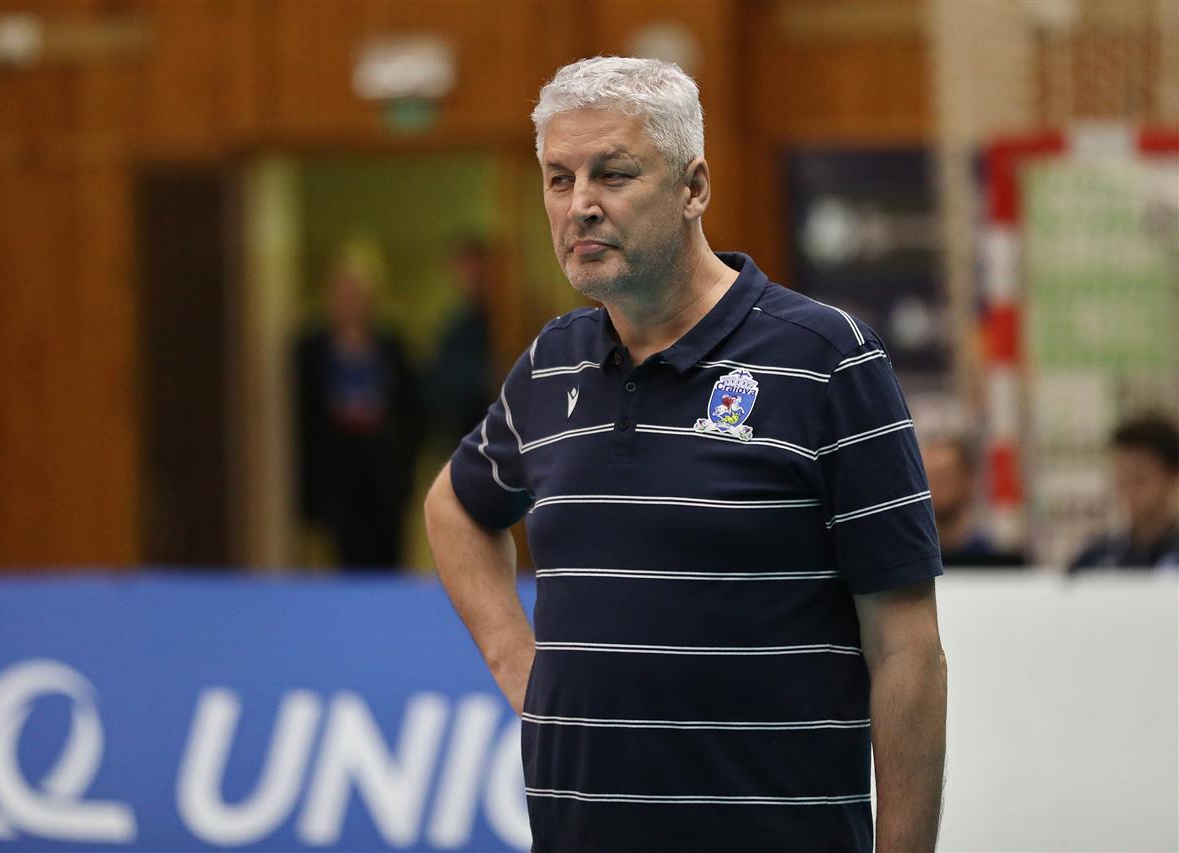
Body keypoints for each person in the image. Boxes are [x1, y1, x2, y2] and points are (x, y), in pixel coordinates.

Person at [424, 57, 947, 852]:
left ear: (693, 187)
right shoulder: (551, 363)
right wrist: (520, 665)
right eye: (559, 179)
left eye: (613, 173)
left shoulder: (827, 359)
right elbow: (457, 507)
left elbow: (907, 651)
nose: (580, 204)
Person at [295, 263, 418, 569]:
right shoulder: (312, 349)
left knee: (387, 557)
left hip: (383, 471)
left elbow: (412, 410)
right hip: (336, 472)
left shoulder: (392, 346)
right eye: (343, 295)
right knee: (344, 555)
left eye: (358, 295)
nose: (351, 303)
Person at [1071, 414, 1179, 572]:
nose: (1128, 490)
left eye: (1138, 479)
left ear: (1172, 478)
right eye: (1122, 477)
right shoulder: (1096, 558)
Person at [423, 237, 495, 445]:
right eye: (467, 273)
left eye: (479, 273)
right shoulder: (455, 332)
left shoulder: (509, 323)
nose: (474, 281)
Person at [922, 435, 1018, 566]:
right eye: (929, 479)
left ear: (967, 481)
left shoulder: (992, 560)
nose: (935, 488)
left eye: (943, 478)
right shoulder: (913, 560)